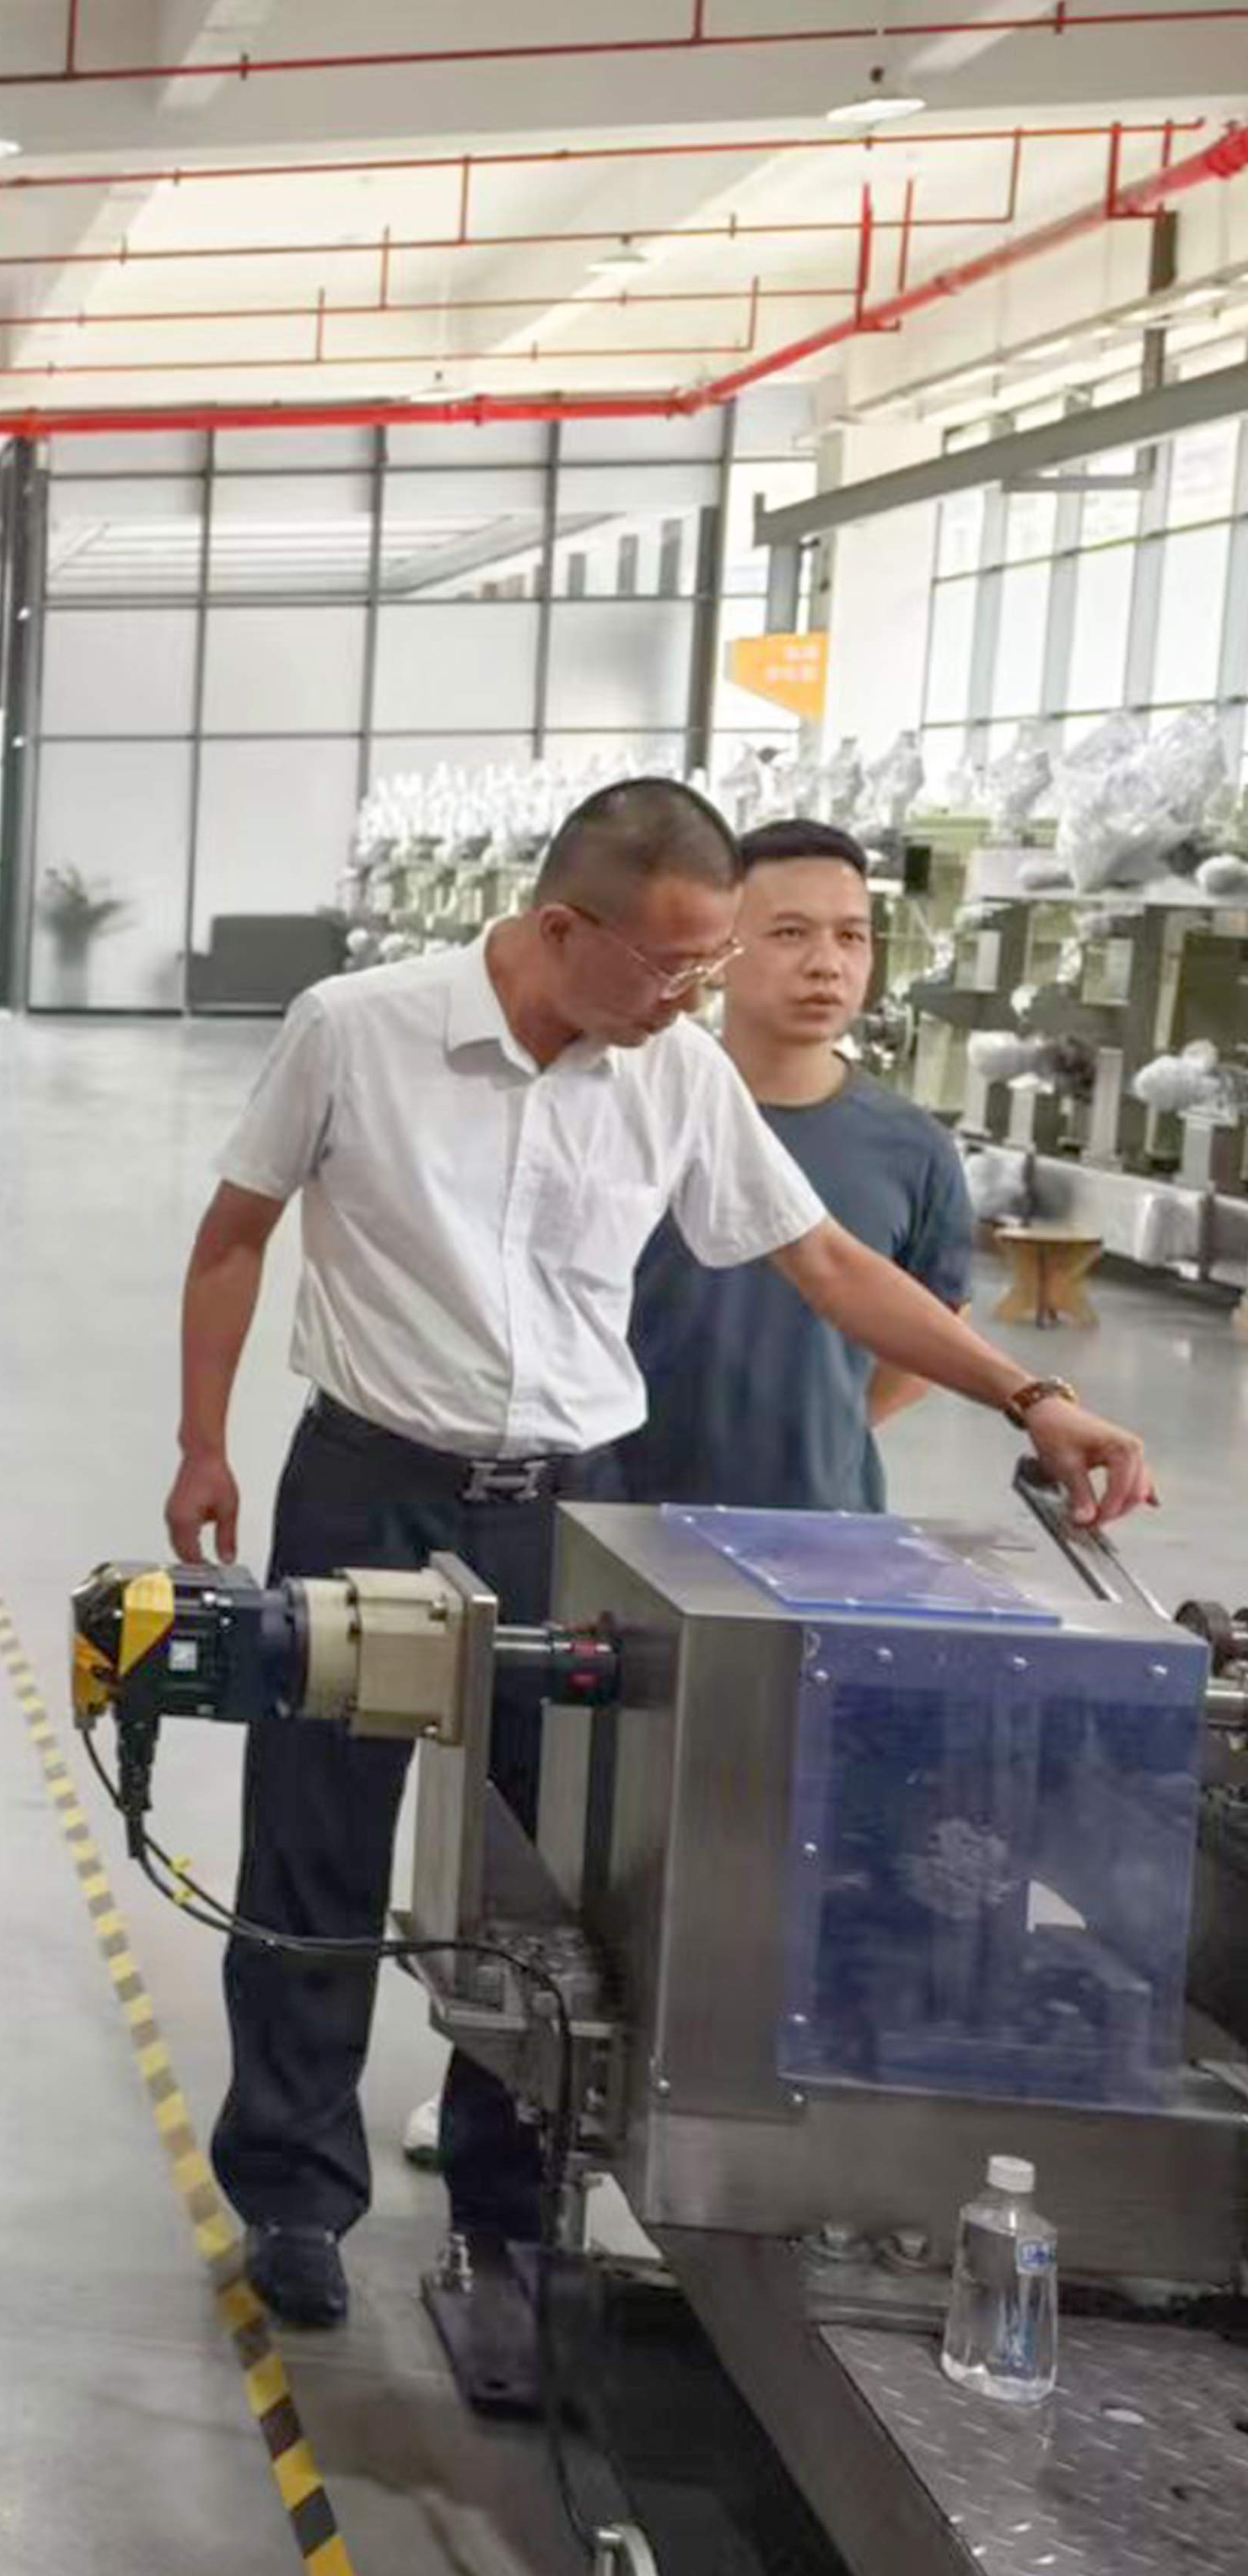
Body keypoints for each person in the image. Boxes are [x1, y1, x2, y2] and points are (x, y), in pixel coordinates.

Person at [161, 778, 1150, 2404]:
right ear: (565, 928)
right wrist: (205, 1442)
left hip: (572, 1505)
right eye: (675, 963)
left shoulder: (674, 1071)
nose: (698, 996)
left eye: (713, 965)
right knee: (316, 1842)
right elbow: (234, 1233)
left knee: (553, 1882)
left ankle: (506, 2201)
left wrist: (1030, 1397)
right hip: (369, 1483)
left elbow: (826, 1263)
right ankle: (293, 2194)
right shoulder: (358, 1029)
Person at [614, 819, 972, 1513]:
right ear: (717, 951)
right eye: (789, 933)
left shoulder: (912, 1148)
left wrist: (821, 1433)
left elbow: (931, 1336)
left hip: (820, 1520)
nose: (826, 964)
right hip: (616, 1507)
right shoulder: (634, 1108)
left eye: (851, 936)